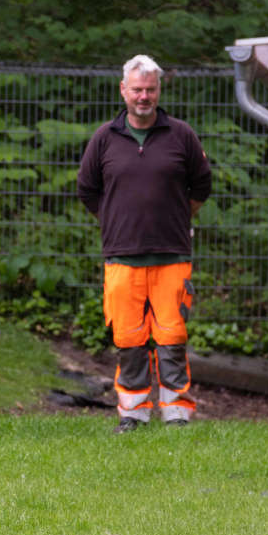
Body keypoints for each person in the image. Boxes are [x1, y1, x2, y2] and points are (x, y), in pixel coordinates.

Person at [77, 54, 212, 433]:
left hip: (172, 255)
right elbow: (87, 190)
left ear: (159, 90)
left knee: (172, 337)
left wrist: (178, 217)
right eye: (137, 89)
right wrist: (116, 221)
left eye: (150, 89)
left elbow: (202, 185)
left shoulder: (182, 135)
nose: (143, 97)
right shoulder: (104, 138)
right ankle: (133, 414)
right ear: (123, 90)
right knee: (128, 337)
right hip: (121, 256)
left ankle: (176, 414)